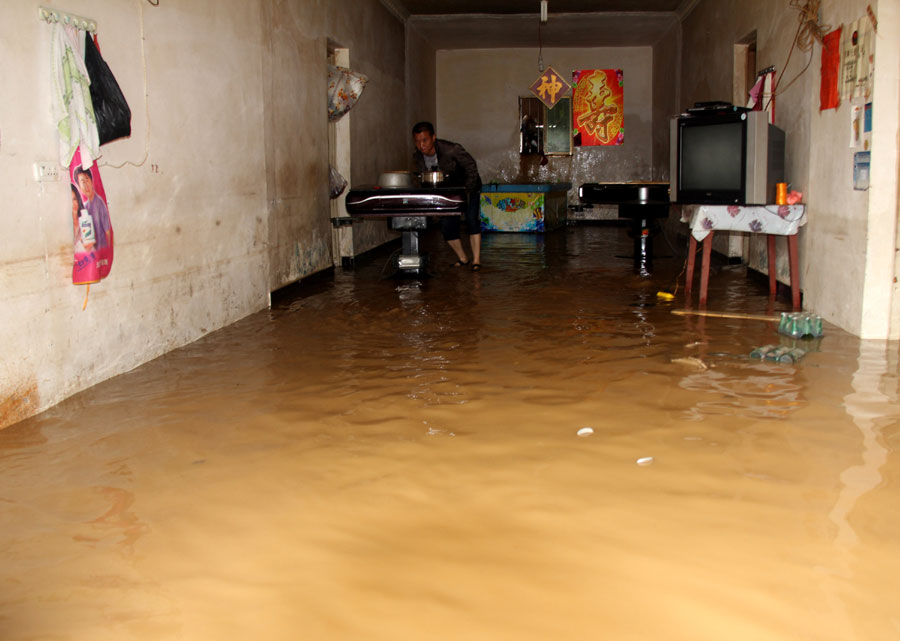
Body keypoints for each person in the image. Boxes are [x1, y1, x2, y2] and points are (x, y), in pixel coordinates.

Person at [411, 121, 483, 271]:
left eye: (424, 140)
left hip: (469, 187)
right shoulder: (417, 157)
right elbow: (422, 177)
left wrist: (468, 189)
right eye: (417, 141)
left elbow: (471, 166)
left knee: (471, 220)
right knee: (447, 225)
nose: (421, 145)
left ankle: (476, 260)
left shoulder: (451, 150)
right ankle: (463, 258)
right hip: (447, 192)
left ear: (433, 138)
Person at [74, 167, 112, 250]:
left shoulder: (99, 203)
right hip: (92, 253)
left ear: (92, 181)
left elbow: (108, 231)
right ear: (79, 187)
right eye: (82, 182)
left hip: (102, 251)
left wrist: (108, 251)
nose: (86, 185)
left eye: (87, 180)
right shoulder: (85, 207)